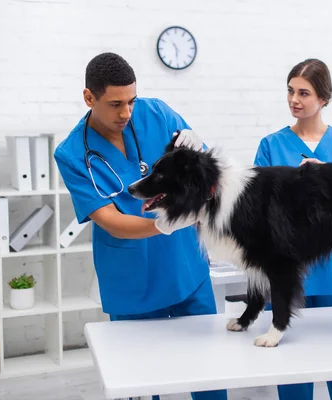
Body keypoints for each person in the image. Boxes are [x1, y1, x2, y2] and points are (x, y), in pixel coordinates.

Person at [54, 52, 228, 400]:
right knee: (137, 380)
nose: (126, 112)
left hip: (184, 269)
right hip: (132, 280)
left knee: (207, 372)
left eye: (131, 100)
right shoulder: (72, 153)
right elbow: (110, 220)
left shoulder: (156, 114)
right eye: (115, 103)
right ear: (89, 97)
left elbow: (205, 173)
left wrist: (200, 152)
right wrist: (163, 226)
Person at [253, 58, 332, 400]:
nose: (294, 99)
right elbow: (259, 211)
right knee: (291, 373)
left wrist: (328, 179)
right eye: (290, 91)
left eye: (304, 93)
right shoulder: (270, 146)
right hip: (288, 280)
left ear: (324, 98)